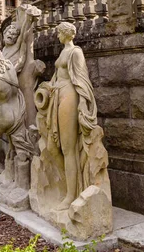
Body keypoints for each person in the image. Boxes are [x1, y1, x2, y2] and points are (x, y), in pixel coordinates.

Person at [47, 21, 98, 211]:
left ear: (67, 34)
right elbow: (57, 75)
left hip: (69, 96)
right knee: (53, 147)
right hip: (57, 95)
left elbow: (82, 78)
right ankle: (70, 184)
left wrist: (84, 103)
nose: (57, 36)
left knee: (68, 148)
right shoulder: (63, 52)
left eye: (59, 33)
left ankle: (71, 195)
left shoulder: (76, 52)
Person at [0, 43, 34, 161]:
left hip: (3, 114)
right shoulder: (9, 65)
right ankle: (17, 169)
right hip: (18, 108)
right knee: (18, 145)